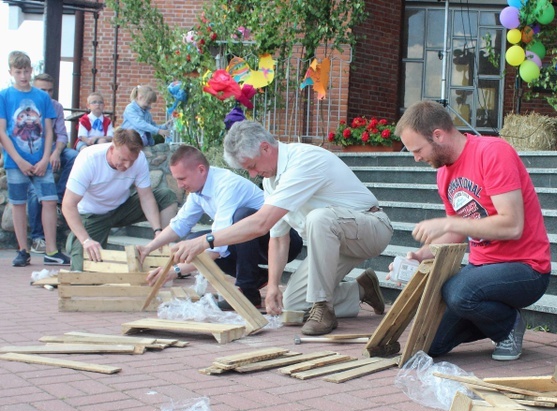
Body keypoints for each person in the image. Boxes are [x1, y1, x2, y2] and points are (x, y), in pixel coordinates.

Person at [170, 120, 394, 335]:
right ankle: (362, 289)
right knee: (293, 304)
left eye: (252, 166)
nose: (253, 174)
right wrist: (273, 287)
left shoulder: (303, 160)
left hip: (370, 228)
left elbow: (261, 223)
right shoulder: (270, 181)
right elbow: (277, 237)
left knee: (320, 218)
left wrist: (205, 240)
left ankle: (323, 310)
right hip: (335, 241)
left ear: (265, 148)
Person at [395, 100, 551, 361]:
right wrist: (420, 256)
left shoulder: (493, 152)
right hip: (481, 270)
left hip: (527, 268)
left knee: (458, 292)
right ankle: (490, 316)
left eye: (418, 149)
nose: (417, 158)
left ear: (438, 135)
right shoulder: (444, 174)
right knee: (430, 344)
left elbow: (512, 225)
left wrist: (449, 222)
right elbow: (454, 236)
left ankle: (509, 326)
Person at [138, 144, 303, 309]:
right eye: (176, 179)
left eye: (182, 178)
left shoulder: (226, 185)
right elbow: (180, 225)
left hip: (284, 240)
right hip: (252, 244)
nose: (180, 185)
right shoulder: (198, 190)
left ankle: (247, 291)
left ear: (201, 170)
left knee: (240, 218)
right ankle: (257, 278)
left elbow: (217, 246)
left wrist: (175, 270)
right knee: (193, 240)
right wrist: (148, 248)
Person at [61, 128, 178, 271]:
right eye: (123, 159)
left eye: (131, 161)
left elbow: (146, 197)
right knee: (83, 271)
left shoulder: (139, 159)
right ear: (111, 149)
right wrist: (86, 240)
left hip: (122, 208)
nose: (127, 165)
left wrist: (158, 231)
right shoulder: (89, 158)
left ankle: (162, 259)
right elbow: (68, 205)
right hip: (92, 215)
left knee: (166, 196)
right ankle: (74, 242)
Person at [0, 51, 69, 267]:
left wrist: (46, 158)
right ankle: (23, 250)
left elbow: (49, 130)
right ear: (11, 72)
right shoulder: (4, 96)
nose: (23, 75)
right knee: (18, 204)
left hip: (40, 160)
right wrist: (18, 160)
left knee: (49, 200)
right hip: (15, 162)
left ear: (31, 70)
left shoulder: (42, 97)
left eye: (26, 71)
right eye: (18, 71)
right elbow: (3, 132)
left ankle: (51, 250)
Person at [26, 73, 79, 255]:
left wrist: (55, 152)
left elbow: (62, 135)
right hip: (33, 151)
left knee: (74, 156)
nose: (47, 94)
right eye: (43, 90)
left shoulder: (56, 106)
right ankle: (37, 237)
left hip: (53, 148)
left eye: (50, 90)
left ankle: (58, 199)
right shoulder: (27, 106)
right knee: (34, 192)